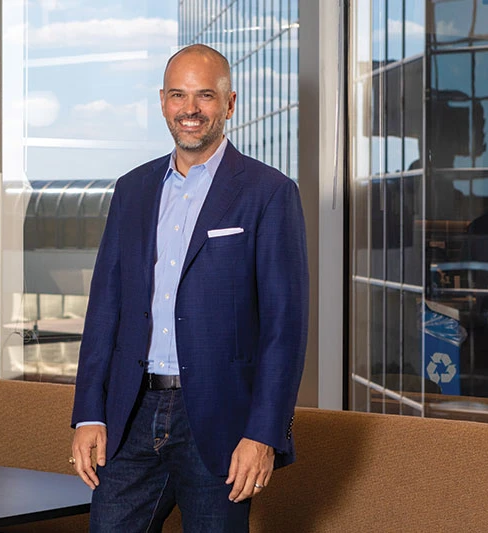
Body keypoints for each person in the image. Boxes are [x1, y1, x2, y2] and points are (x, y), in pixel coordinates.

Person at [69, 43, 309, 532]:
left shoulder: (269, 192)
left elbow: (285, 329)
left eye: (205, 95)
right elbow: (105, 310)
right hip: (129, 416)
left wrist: (263, 434)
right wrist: (88, 413)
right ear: (163, 101)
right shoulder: (131, 189)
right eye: (179, 95)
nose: (190, 109)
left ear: (229, 103)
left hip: (220, 424)